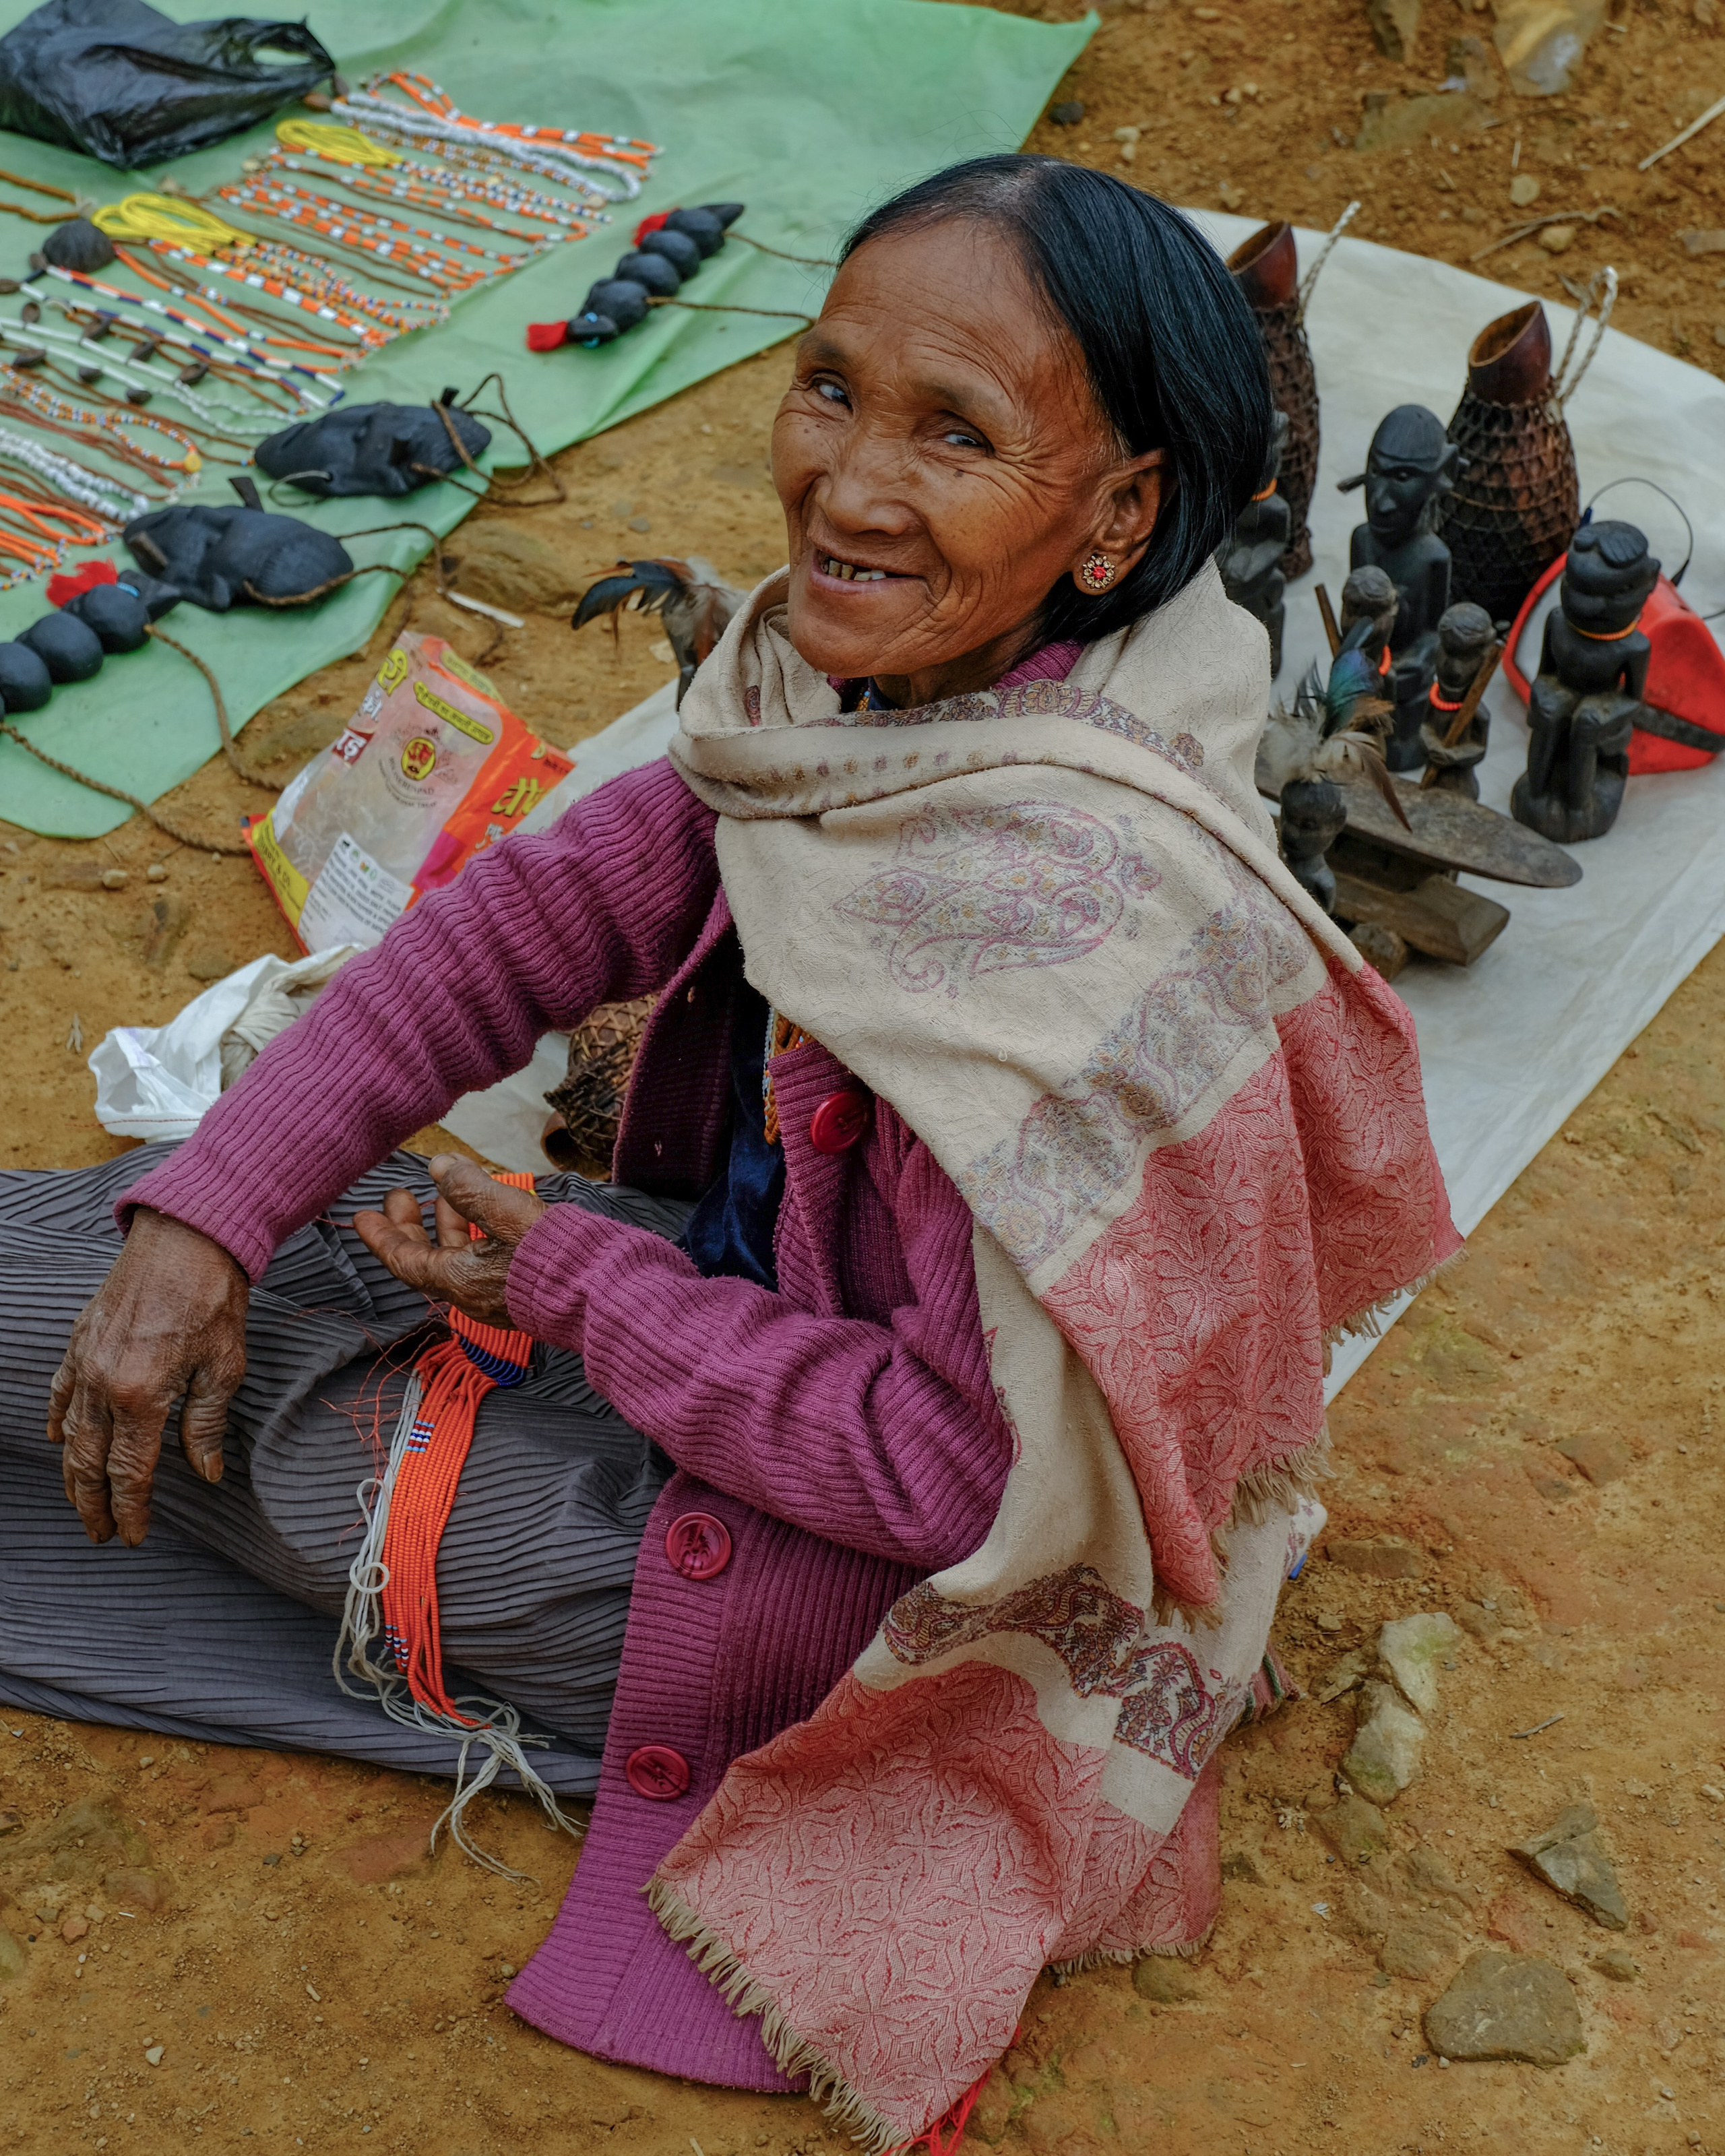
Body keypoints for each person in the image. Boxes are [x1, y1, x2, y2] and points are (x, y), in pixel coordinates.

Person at [0, 156, 1457, 2145]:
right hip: (732, 1300)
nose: (850, 483)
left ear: (1119, 516)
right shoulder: (847, 706)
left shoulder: (1048, 914)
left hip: (847, 1587)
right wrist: (210, 1221)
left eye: (960, 434)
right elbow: (505, 940)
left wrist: (573, 1283)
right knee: (156, 1240)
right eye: (833, 388)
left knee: (271, 1456)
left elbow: (951, 1471)